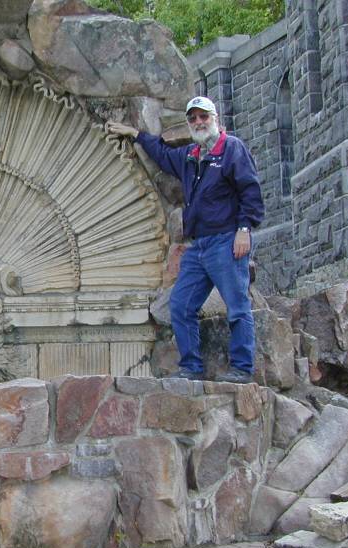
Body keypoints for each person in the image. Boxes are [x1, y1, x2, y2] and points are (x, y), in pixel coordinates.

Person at [108, 96, 264, 383]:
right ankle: (191, 367)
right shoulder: (190, 156)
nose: (198, 122)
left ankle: (242, 368)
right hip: (198, 245)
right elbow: (163, 155)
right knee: (180, 304)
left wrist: (244, 229)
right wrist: (137, 134)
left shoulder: (231, 149)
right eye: (193, 118)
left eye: (203, 117)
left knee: (237, 306)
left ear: (215, 119)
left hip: (226, 241)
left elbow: (250, 191)